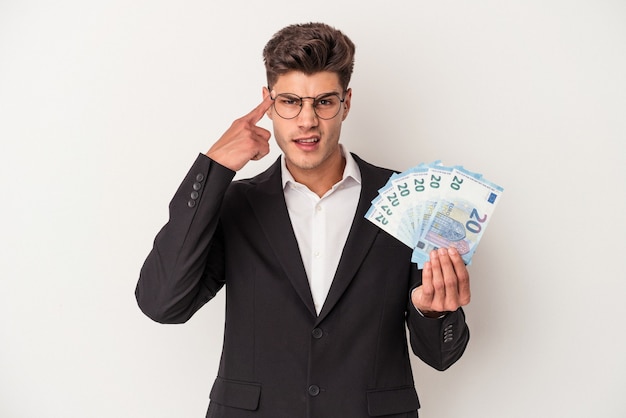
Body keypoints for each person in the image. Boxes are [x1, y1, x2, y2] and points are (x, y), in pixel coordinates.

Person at [136, 22, 471, 418]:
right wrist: (214, 168)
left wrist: (431, 314)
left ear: (346, 103)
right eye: (291, 101)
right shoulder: (236, 203)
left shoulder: (411, 202)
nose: (307, 120)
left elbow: (442, 356)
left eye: (324, 102)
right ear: (268, 102)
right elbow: (162, 304)